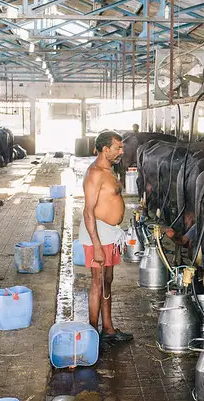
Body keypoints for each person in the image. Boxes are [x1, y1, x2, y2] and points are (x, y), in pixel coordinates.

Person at [80, 131, 133, 343]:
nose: (122, 151)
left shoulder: (109, 170)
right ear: (105, 149)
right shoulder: (95, 173)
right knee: (97, 283)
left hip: (109, 234)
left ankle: (108, 329)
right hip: (98, 234)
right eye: (118, 147)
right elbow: (88, 211)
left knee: (107, 281)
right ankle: (93, 333)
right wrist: (97, 246)